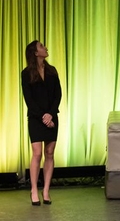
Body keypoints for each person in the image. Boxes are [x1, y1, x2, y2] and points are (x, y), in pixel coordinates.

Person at [21, 40, 62, 206]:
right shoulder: (26, 73)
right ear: (35, 52)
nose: (45, 48)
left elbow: (57, 95)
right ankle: (33, 189)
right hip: (36, 118)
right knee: (37, 153)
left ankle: (45, 190)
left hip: (51, 117)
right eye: (41, 46)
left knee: (50, 152)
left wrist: (50, 115)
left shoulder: (52, 71)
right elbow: (29, 100)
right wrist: (43, 117)